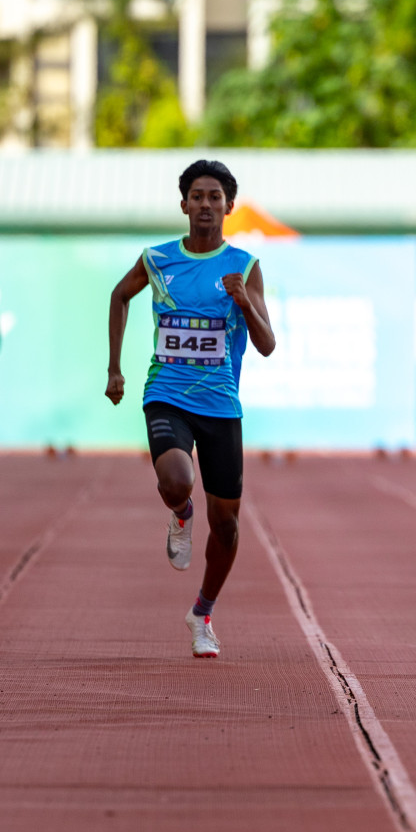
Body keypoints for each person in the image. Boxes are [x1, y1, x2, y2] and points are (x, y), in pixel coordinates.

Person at [104, 161, 277, 659]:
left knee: (227, 526)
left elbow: (266, 345)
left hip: (221, 404)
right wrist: (115, 368)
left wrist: (244, 303)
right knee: (177, 480)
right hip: (167, 393)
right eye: (197, 196)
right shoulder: (158, 259)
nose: (205, 204)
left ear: (228, 206)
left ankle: (202, 613)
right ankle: (181, 513)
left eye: (215, 197)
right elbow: (120, 296)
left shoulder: (244, 266)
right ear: (184, 205)